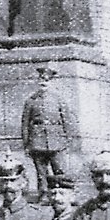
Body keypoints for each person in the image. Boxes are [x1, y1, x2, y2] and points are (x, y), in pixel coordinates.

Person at [20, 64, 79, 204]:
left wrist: (68, 139)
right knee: (41, 172)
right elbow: (25, 124)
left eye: (46, 80)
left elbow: (67, 120)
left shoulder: (59, 100)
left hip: (56, 140)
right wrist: (26, 144)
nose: (43, 83)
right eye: (41, 80)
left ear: (51, 82)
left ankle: (66, 193)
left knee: (60, 169)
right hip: (37, 140)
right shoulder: (30, 101)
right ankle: (44, 194)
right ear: (37, 82)